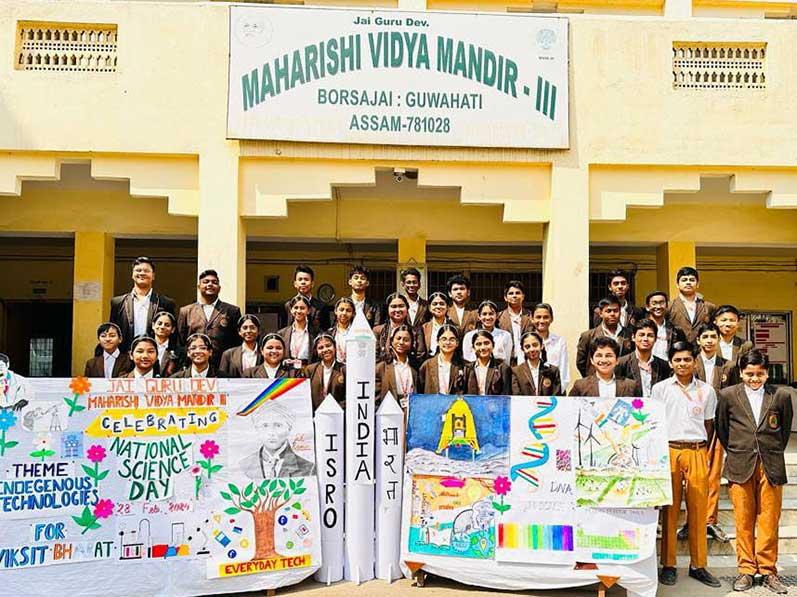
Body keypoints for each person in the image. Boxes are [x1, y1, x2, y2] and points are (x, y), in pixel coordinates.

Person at [716, 350, 793, 594]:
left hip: (770, 464)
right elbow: (722, 429)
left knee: (769, 520)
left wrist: (769, 450)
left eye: (760, 374)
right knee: (743, 520)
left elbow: (783, 431)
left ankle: (768, 570)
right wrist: (740, 450)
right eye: (749, 374)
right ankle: (746, 570)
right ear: (741, 373)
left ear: (767, 373)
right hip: (740, 464)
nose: (754, 378)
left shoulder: (780, 395)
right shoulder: (728, 395)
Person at [652, 340, 721, 588]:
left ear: (695, 361)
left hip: (696, 451)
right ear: (671, 363)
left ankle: (698, 565)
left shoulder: (707, 391)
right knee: (669, 510)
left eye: (687, 359)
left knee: (698, 510)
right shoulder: (660, 389)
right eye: (678, 360)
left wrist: (702, 451)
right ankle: (668, 564)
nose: (683, 364)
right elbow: (654, 423)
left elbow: (709, 425)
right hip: (669, 450)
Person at [177, 269, 241, 369]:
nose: (210, 284)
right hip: (193, 366)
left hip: (222, 366)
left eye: (214, 282)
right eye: (206, 282)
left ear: (219, 288)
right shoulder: (186, 311)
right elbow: (180, 342)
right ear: (199, 287)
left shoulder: (232, 311)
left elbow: (237, 342)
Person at [110, 256, 176, 350]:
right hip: (125, 353)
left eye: (146, 271)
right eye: (138, 270)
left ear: (153, 276)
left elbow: (173, 334)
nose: (142, 273)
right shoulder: (118, 303)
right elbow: (112, 332)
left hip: (155, 353)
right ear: (132, 275)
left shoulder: (166, 303)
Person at [240, 402, 316, 479]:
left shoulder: (309, 468)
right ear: (257, 429)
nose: (271, 432)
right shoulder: (243, 466)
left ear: (289, 428)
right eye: (265, 425)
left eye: (278, 425)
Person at [576, 296, 632, 378]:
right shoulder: (588, 336)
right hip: (596, 381)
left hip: (622, 381)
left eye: (616, 311)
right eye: (608, 311)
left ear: (620, 312)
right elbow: (581, 363)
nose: (612, 314)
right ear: (601, 313)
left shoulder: (629, 334)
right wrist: (591, 378)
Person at [615, 319, 671, 398]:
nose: (645, 339)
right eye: (641, 335)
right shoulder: (622, 363)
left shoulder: (663, 365)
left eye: (650, 335)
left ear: (655, 339)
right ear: (633, 337)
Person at [569, 337, 636, 397]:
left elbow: (638, 406)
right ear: (592, 360)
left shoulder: (630, 386)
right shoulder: (580, 386)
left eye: (609, 356)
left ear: (617, 360)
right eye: (599, 355)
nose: (604, 360)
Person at [374, 293, 425, 365]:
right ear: (387, 309)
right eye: (393, 306)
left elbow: (420, 355)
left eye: (401, 306)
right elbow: (375, 356)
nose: (397, 310)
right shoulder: (378, 330)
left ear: (407, 308)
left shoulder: (416, 331)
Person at [375, 325, 419, 408]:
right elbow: (375, 399)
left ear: (411, 343)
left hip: (412, 410)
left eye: (406, 340)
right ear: (391, 341)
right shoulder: (382, 367)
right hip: (389, 411)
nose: (401, 342)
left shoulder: (415, 366)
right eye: (398, 338)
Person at [668, 266, 716, 343]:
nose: (688, 282)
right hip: (677, 348)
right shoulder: (669, 306)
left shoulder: (709, 307)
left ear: (697, 284)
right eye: (684, 280)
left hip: (701, 348)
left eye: (692, 280)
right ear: (677, 284)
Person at [511, 331, 562, 396]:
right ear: (522, 349)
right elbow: (516, 396)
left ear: (541, 346)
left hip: (547, 403)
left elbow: (556, 395)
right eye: (527, 347)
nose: (532, 349)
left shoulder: (553, 370)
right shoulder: (516, 371)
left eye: (535, 345)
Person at [462, 300, 514, 364]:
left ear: (497, 315)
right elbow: (467, 360)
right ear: (479, 316)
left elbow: (507, 362)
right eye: (484, 314)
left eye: (491, 314)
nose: (487, 317)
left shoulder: (505, 335)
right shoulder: (469, 336)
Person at [531, 303, 570, 387]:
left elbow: (564, 372)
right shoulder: (525, 342)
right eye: (538, 317)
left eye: (546, 317)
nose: (542, 321)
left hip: (555, 389)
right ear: (532, 319)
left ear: (551, 319)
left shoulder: (560, 342)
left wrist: (557, 391)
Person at [419, 324, 465, 394]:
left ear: (457, 343)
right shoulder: (426, 366)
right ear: (437, 342)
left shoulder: (465, 367)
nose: (448, 342)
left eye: (452, 339)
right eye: (444, 339)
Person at [303, 334, 345, 410]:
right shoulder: (310, 370)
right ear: (316, 351)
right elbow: (305, 395)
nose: (325, 350)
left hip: (338, 413)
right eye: (321, 348)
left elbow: (349, 395)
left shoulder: (344, 369)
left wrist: (336, 408)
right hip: (315, 413)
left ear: (335, 347)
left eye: (328, 346)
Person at [497, 280, 534, 366]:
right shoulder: (498, 318)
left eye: (517, 293)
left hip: (527, 361)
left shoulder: (531, 316)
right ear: (505, 297)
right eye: (511, 293)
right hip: (506, 363)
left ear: (523, 296)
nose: (514, 296)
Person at [283, 265, 330, 331]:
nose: (303, 282)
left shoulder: (322, 307)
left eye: (306, 279)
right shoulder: (288, 306)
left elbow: (326, 331)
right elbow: (283, 330)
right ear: (295, 284)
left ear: (312, 284)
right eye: (300, 279)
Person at [463, 330, 511, 395]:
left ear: (493, 345)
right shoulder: (467, 369)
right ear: (473, 348)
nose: (483, 347)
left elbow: (505, 394)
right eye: (478, 344)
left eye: (486, 343)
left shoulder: (502, 368)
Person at [644, 291, 687, 362]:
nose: (658, 306)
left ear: (667, 306)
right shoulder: (640, 328)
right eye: (654, 303)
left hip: (667, 366)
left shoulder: (675, 330)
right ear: (647, 307)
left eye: (662, 303)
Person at [278, 295, 318, 370]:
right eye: (296, 308)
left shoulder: (316, 333)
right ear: (291, 310)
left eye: (302, 308)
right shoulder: (282, 333)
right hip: (288, 371)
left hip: (308, 371)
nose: (299, 311)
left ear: (309, 311)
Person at [151, 311, 183, 378]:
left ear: (173, 329)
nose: (162, 327)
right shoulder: (145, 347)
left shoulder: (178, 352)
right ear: (153, 326)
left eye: (167, 325)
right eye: (159, 324)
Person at [421, 291, 451, 358]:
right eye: (435, 304)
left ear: (447, 307)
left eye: (442, 304)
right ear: (429, 308)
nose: (438, 306)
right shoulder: (424, 328)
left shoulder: (454, 327)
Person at [327, 297, 355, 364]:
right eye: (341, 310)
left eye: (348, 310)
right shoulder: (329, 333)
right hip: (335, 367)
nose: (344, 313)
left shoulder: (357, 332)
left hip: (353, 366)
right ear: (336, 311)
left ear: (353, 313)